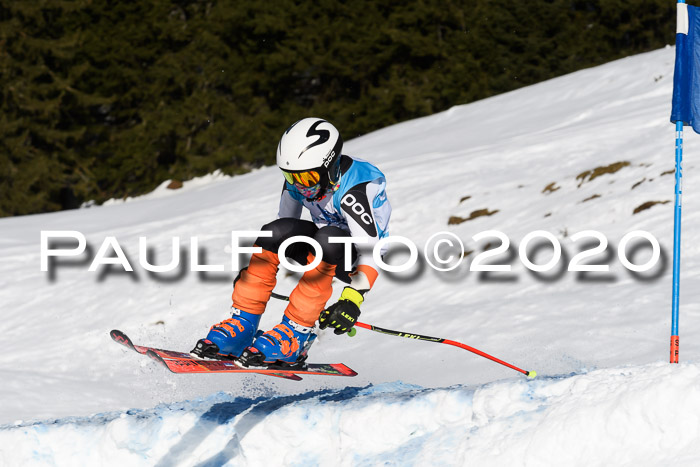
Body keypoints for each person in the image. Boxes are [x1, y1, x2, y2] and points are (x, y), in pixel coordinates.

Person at [191, 117, 391, 367]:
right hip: (320, 245)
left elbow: (372, 252)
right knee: (273, 233)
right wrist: (253, 276)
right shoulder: (300, 182)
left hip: (355, 259)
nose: (300, 187)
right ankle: (243, 323)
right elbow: (284, 228)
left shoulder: (355, 191)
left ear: (329, 167)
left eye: (307, 179)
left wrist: (352, 300)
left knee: (329, 238)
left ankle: (296, 334)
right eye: (291, 177)